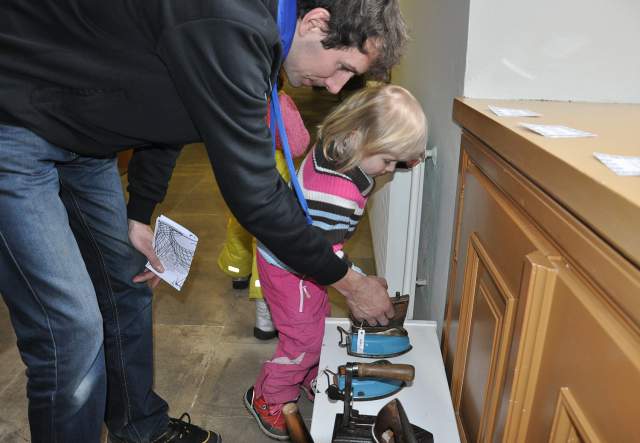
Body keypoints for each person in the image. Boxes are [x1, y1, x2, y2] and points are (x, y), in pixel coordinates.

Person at [0, 0, 408, 442]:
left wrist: (140, 212)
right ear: (315, 22)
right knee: (71, 331)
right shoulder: (233, 27)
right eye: (342, 67)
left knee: (128, 287)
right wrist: (350, 283)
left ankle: (139, 429)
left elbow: (171, 108)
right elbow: (255, 197)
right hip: (14, 122)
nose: (334, 87)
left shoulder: (254, 40)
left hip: (87, 138)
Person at [244, 85, 428, 440]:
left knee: (316, 322)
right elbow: (325, 256)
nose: (390, 169)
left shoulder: (339, 145)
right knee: (304, 339)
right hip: (289, 268)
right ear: (360, 138)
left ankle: (308, 372)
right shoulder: (336, 193)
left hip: (302, 258)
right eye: (388, 161)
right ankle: (269, 395)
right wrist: (359, 279)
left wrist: (403, 154)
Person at [217, 86, 310, 340]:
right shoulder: (279, 101)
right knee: (267, 238)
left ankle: (238, 271)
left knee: (239, 222)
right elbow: (298, 144)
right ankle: (265, 315)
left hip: (236, 169)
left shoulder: (229, 93)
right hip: (270, 172)